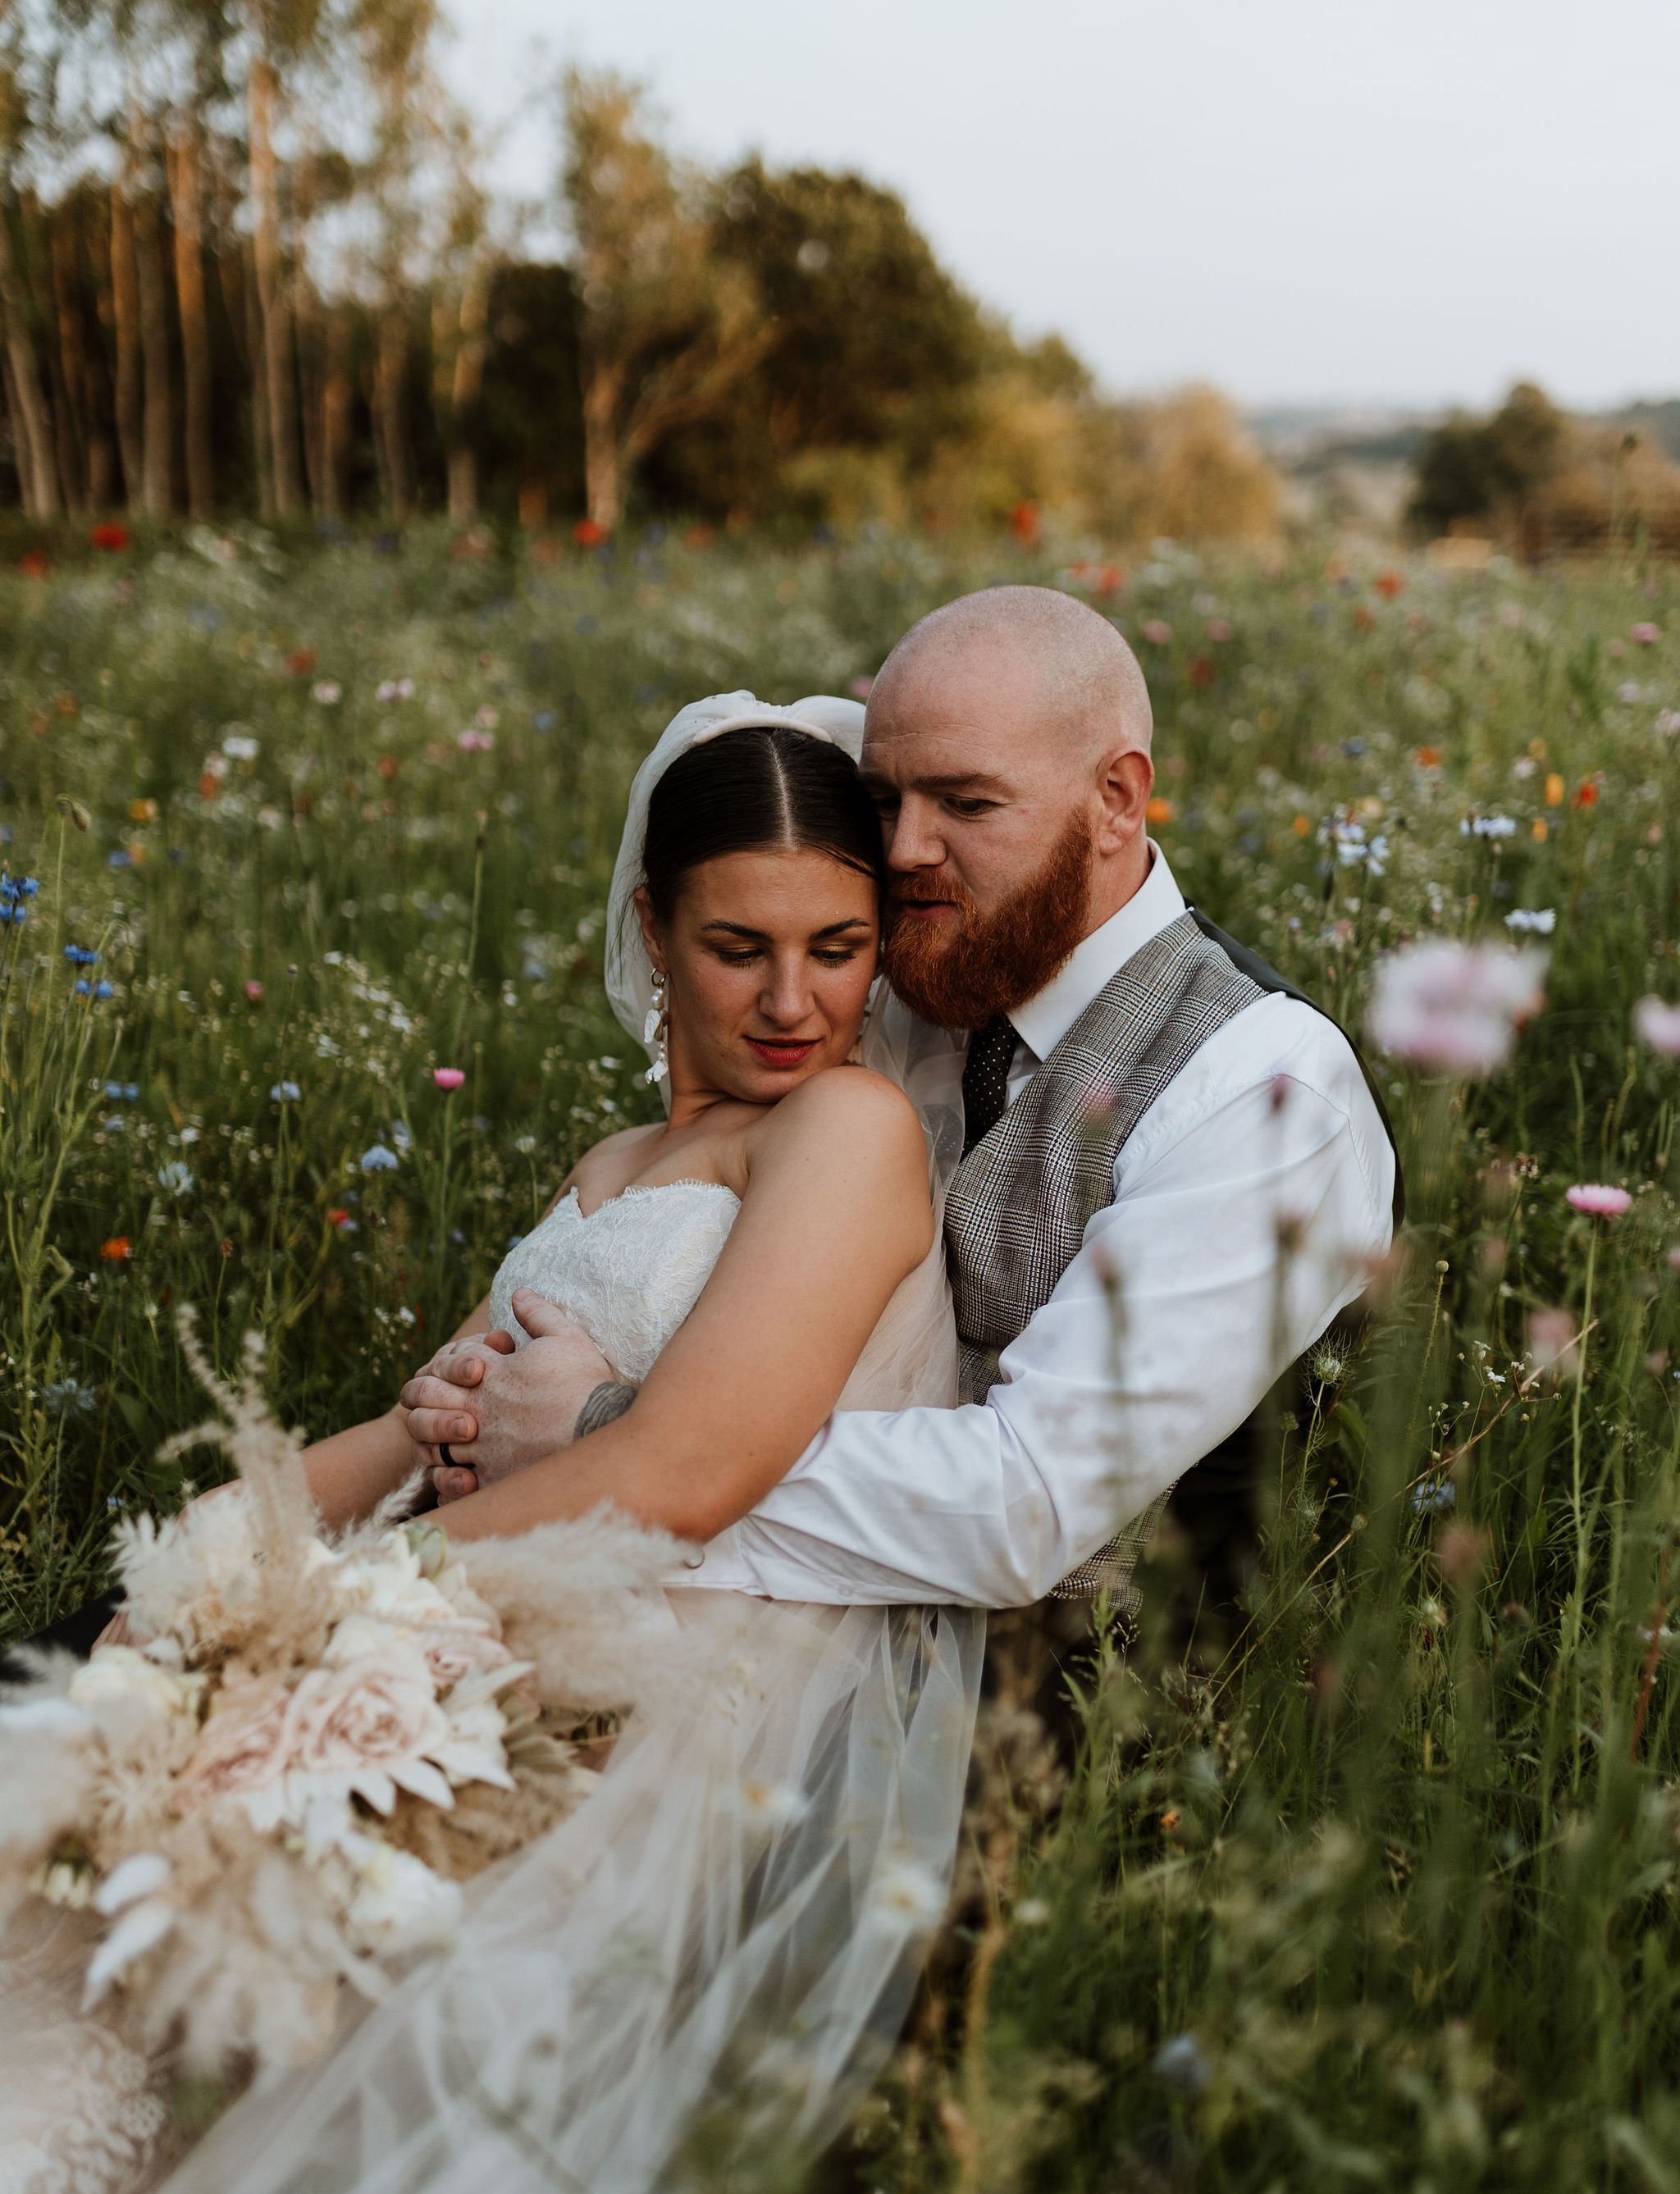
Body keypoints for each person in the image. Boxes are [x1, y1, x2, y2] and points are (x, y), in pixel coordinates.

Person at [0, 698, 983, 2194]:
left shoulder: (843, 1137)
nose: (792, 1002)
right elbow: (408, 1430)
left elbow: (684, 1472)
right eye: (736, 948)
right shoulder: (615, 1165)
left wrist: (300, 1630)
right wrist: (191, 1582)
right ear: (649, 937)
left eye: (838, 949)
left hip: (593, 1668)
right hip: (434, 1593)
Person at [402, 586, 1399, 1629]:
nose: (905, 851)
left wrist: (605, 1434)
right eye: (884, 802)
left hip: (1093, 1725)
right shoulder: (903, 967)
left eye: (965, 805)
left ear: (1115, 798)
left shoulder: (1263, 1085)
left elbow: (1023, 1504)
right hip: (750, 1627)